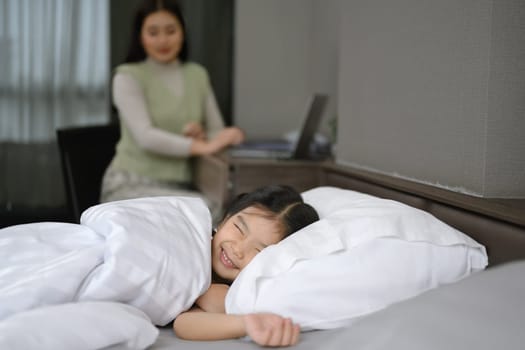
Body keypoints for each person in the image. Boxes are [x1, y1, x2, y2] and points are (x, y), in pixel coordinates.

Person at [100, 0, 244, 218]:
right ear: (140, 36)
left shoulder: (197, 75)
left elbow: (216, 131)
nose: (163, 40)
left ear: (182, 32)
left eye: (171, 31)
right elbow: (145, 137)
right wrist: (201, 146)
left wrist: (209, 136)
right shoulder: (127, 76)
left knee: (233, 206)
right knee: (209, 211)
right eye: (153, 32)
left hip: (185, 186)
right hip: (129, 184)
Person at [173, 184, 320, 347]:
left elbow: (183, 324)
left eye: (258, 250)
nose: (238, 249)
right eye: (238, 228)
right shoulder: (195, 237)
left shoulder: (235, 294)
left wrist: (246, 324)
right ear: (225, 219)